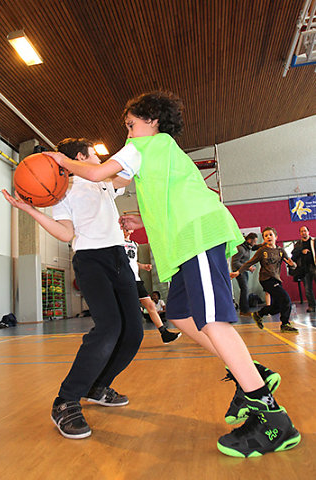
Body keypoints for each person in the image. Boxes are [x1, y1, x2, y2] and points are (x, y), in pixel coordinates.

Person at [46, 91, 301, 458]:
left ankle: (271, 416)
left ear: (150, 120)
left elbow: (99, 172)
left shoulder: (147, 146)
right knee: (179, 315)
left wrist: (60, 160)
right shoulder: (161, 153)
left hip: (196, 237)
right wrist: (141, 219)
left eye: (131, 125)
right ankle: (251, 371)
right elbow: (141, 193)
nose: (128, 133)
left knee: (213, 321)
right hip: (185, 245)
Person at [2, 138, 144, 440]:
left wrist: (138, 139)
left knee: (134, 331)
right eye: (94, 153)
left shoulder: (104, 180)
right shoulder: (61, 189)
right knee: (108, 328)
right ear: (81, 156)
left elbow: (129, 172)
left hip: (118, 257)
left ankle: (97, 386)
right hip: (90, 259)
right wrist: (30, 210)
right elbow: (66, 232)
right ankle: (65, 401)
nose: (98, 157)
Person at [231, 227, 298, 333]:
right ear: (264, 239)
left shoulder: (280, 251)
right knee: (286, 299)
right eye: (266, 236)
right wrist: (238, 272)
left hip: (276, 280)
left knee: (277, 306)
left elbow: (292, 264)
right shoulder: (262, 251)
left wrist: (292, 265)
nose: (268, 237)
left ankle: (259, 314)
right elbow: (249, 262)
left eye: (270, 235)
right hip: (266, 279)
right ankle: (285, 324)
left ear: (276, 237)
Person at [123, 229, 181, 343]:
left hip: (136, 280)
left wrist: (143, 266)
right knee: (129, 309)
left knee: (150, 305)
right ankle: (123, 336)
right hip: (125, 280)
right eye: (125, 229)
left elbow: (133, 261)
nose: (128, 231)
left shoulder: (135, 244)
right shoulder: (118, 244)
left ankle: (164, 333)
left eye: (129, 228)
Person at [231, 232, 258, 316]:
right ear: (249, 240)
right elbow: (234, 262)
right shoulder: (241, 249)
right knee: (244, 289)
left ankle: (244, 309)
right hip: (238, 271)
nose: (255, 244)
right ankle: (244, 310)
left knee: (245, 289)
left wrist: (263, 244)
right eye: (254, 241)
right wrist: (247, 267)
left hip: (243, 270)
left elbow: (254, 248)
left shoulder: (247, 247)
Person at [292, 225, 316, 313]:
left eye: (305, 231)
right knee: (307, 289)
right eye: (301, 231)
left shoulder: (314, 241)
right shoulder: (298, 244)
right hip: (304, 269)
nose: (303, 233)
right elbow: (293, 256)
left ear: (308, 232)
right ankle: (312, 306)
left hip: (314, 266)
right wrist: (301, 252)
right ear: (300, 233)